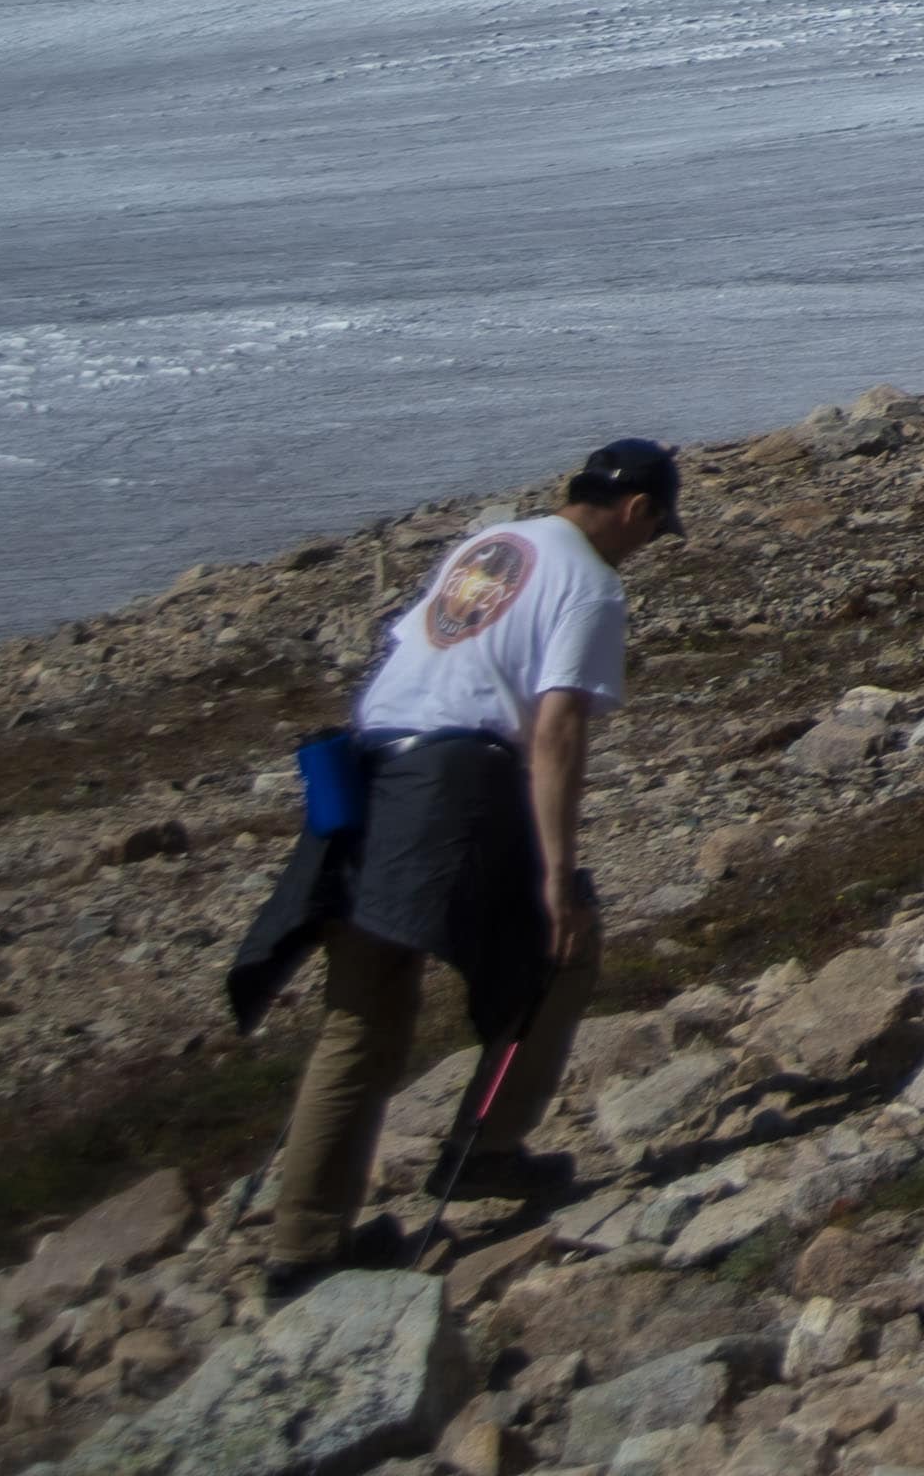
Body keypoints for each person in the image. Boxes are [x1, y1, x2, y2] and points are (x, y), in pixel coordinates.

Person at [227, 437, 683, 1292]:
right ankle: (486, 1149)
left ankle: (301, 1247)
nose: (646, 549)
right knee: (562, 951)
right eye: (655, 533)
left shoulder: (488, 546)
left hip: (371, 769)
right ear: (637, 512)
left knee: (361, 1016)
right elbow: (556, 732)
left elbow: (413, 649)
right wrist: (555, 877)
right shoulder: (590, 582)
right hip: (459, 784)